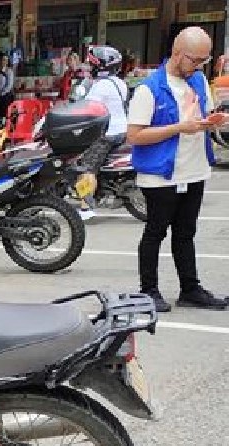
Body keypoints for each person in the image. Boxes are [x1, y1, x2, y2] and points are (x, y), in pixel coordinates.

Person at [127, 27, 229, 312]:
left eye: (204, 61)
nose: (198, 67)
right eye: (195, 60)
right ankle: (149, 290)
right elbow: (134, 136)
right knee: (155, 232)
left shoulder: (197, 81)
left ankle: (190, 288)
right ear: (177, 53)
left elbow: (202, 116)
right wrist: (178, 128)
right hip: (160, 174)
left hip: (195, 169)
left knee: (186, 233)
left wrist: (213, 121)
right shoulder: (150, 88)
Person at [79, 45, 132, 217]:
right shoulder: (120, 83)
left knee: (87, 167)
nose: (89, 68)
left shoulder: (100, 87)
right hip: (122, 130)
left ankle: (85, 207)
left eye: (92, 65)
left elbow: (87, 108)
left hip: (107, 134)